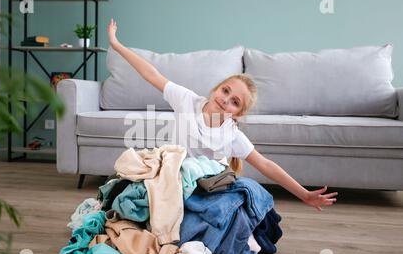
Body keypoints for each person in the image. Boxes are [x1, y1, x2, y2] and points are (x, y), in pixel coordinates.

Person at [107, 18, 337, 211]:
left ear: (237, 114)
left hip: (209, 190)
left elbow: (266, 165)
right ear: (217, 88)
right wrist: (117, 45)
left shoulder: (231, 135)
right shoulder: (186, 100)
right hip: (177, 184)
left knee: (242, 198)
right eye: (225, 90)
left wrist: (304, 194)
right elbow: (151, 74)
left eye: (234, 102)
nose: (225, 100)